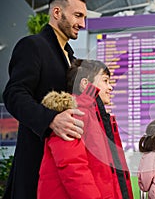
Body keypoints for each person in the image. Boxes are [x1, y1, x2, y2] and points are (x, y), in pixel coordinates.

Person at [2, 0, 87, 198]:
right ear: (57, 12)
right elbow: (14, 94)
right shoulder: (32, 46)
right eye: (78, 15)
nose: (83, 24)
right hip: (37, 165)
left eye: (84, 17)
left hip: (67, 166)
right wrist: (50, 119)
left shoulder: (72, 59)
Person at [38, 59, 134, 199]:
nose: (110, 87)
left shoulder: (98, 118)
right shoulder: (74, 114)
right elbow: (73, 168)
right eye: (105, 81)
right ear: (85, 84)